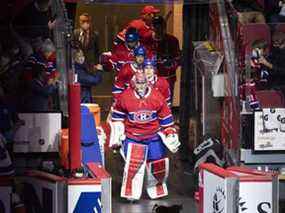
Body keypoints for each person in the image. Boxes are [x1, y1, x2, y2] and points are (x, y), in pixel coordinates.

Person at [109, 72, 180, 201]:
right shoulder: (124, 97)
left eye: (143, 83)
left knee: (158, 164)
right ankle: (131, 193)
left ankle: (156, 189)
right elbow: (117, 120)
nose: (141, 86)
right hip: (133, 137)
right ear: (133, 83)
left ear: (147, 83)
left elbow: (166, 119)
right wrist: (117, 137)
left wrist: (170, 133)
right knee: (133, 165)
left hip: (153, 136)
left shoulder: (157, 96)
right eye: (138, 83)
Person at [151, 16, 181, 101]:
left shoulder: (172, 40)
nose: (158, 30)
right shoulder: (148, 41)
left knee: (166, 103)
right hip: (151, 78)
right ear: (152, 27)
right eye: (156, 27)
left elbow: (178, 59)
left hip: (168, 78)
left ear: (164, 27)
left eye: (160, 27)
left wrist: (171, 63)